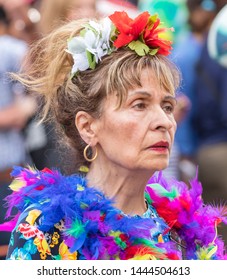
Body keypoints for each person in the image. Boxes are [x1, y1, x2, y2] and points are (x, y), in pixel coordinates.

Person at [2, 10, 227, 260]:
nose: (165, 121)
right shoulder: (49, 226)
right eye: (139, 105)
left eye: (167, 106)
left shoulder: (187, 233)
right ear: (88, 127)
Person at [0, 4, 37, 259]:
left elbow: (38, 88)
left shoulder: (9, 48)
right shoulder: (10, 48)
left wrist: (24, 108)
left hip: (8, 175)